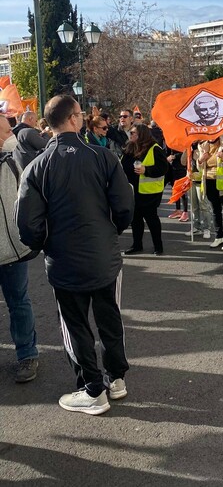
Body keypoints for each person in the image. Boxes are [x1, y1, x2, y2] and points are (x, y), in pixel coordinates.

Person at [16, 95, 134, 415]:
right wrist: (110, 232)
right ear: (72, 119)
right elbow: (125, 205)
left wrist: (45, 244)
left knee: (75, 324)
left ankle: (93, 387)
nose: (82, 118)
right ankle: (115, 379)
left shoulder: (38, 166)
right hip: (104, 256)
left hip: (65, 260)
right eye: (80, 115)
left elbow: (27, 223)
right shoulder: (101, 157)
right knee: (109, 318)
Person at [0, 115, 39, 383]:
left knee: (19, 303)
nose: (10, 134)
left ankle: (27, 355)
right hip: (12, 246)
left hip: (13, 249)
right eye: (4, 131)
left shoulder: (15, 159)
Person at [121, 124, 169, 255]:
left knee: (151, 219)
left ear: (141, 134)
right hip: (133, 190)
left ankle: (158, 246)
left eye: (133, 133)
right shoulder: (129, 147)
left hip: (149, 192)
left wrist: (146, 170)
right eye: (130, 133)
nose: (130, 135)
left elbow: (164, 168)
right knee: (135, 219)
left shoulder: (154, 148)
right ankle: (137, 245)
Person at [200, 133, 223, 250]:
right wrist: (200, 160)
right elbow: (201, 166)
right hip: (209, 181)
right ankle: (218, 237)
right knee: (215, 210)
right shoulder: (203, 145)